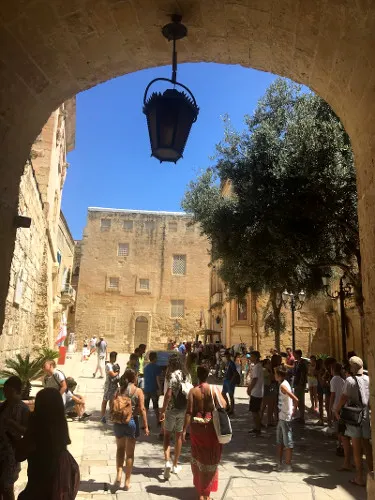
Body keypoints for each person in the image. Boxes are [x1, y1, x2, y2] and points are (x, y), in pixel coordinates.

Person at [16, 388, 79, 499]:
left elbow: (20, 454)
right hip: (56, 485)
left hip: (37, 486)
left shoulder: (36, 425)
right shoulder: (60, 424)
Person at [183, 365, 226, 500]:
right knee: (210, 459)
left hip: (197, 429)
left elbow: (189, 412)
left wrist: (184, 430)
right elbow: (224, 405)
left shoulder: (192, 391)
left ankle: (201, 492)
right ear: (208, 375)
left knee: (199, 458)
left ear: (198, 375)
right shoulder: (214, 390)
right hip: (211, 429)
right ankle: (206, 494)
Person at [335, 356, 373, 487]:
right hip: (365, 415)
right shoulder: (368, 378)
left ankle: (359, 477)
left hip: (353, 416)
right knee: (367, 446)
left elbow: (343, 397)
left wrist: (336, 410)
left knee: (356, 447)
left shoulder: (350, 380)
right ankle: (371, 475)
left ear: (351, 367)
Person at [111, 369, 149, 490]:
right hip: (131, 422)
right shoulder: (137, 391)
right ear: (134, 378)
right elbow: (142, 409)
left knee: (120, 448)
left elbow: (112, 404)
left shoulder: (118, 390)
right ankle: (127, 482)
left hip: (118, 422)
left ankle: (118, 474)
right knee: (130, 454)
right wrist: (146, 426)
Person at [0, 376, 30, 500]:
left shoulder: (23, 408)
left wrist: (13, 424)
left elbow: (28, 431)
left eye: (8, 391)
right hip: (1, 450)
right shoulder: (3, 406)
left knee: (6, 486)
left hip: (11, 452)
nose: (5, 393)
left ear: (15, 390)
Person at [159, 353, 189, 479]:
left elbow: (168, 394)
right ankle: (175, 464)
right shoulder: (186, 375)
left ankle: (167, 461)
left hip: (171, 409)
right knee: (178, 436)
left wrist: (163, 410)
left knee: (166, 435)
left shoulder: (171, 375)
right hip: (182, 409)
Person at [275, 366, 299, 472]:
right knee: (279, 441)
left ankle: (288, 465)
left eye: (275, 373)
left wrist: (293, 410)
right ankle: (279, 463)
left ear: (279, 375)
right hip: (282, 416)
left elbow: (295, 399)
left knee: (287, 441)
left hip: (285, 417)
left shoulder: (283, 386)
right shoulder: (284, 384)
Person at [329, 362, 345, 456]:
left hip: (336, 406)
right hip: (342, 405)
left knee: (337, 428)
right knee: (341, 427)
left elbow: (333, 395)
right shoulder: (342, 380)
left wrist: (331, 406)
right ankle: (341, 445)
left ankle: (340, 446)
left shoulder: (333, 380)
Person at [100, 351, 120, 424]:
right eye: (115, 357)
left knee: (112, 401)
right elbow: (112, 374)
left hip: (114, 385)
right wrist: (117, 372)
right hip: (109, 385)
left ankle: (111, 415)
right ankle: (102, 416)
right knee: (105, 400)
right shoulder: (108, 365)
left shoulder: (114, 364)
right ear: (112, 357)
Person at [247, 351, 264, 436]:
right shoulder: (257, 366)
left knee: (255, 412)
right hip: (257, 391)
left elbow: (255, 379)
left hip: (256, 392)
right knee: (255, 411)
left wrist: (249, 389)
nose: (250, 358)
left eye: (252, 356)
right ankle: (256, 428)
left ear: (256, 357)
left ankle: (258, 429)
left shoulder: (257, 367)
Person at [143, 351, 162, 425]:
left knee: (146, 406)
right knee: (155, 406)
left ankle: (145, 422)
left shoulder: (145, 367)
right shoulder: (157, 367)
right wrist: (160, 388)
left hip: (147, 388)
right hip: (153, 389)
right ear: (155, 358)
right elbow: (157, 379)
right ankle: (158, 420)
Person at [292, 350, 307, 424]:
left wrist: (301, 384)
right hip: (296, 384)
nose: (293, 355)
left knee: (300, 400)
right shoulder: (297, 362)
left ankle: (302, 417)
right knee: (297, 400)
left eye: (294, 354)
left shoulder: (302, 363)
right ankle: (301, 417)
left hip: (300, 385)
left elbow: (303, 374)